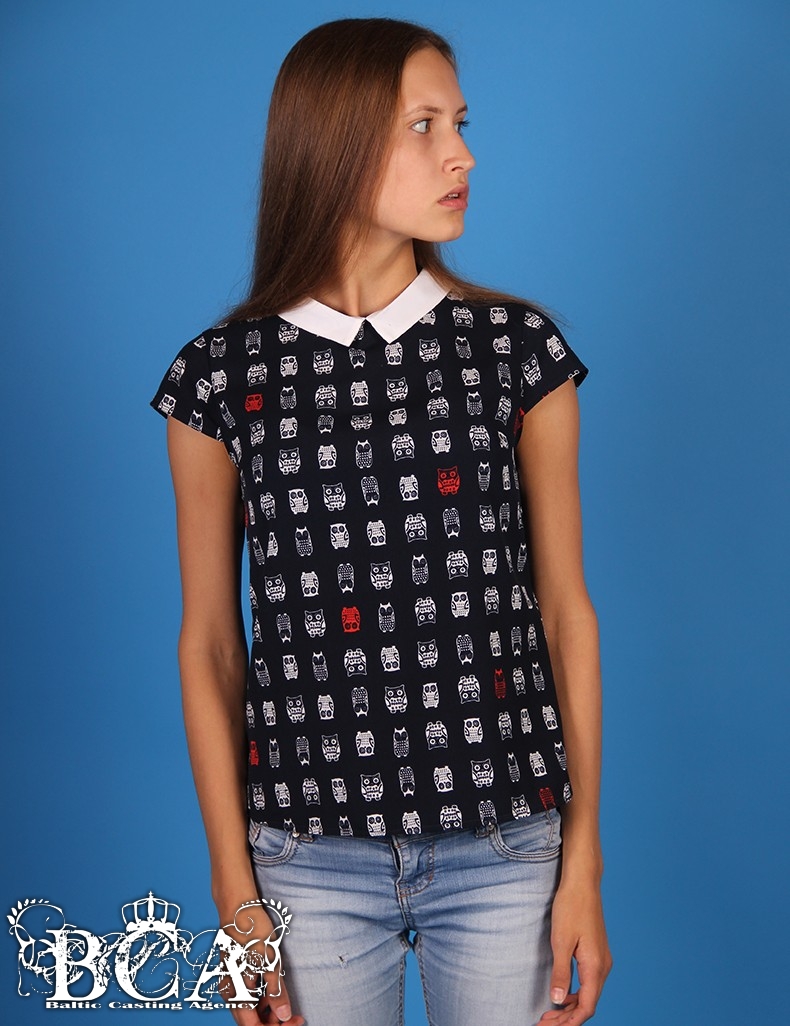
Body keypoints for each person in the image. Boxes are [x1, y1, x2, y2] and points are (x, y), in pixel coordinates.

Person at [151, 17, 612, 1026]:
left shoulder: (516, 354)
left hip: (504, 845)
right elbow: (212, 644)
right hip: (304, 856)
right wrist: (233, 888)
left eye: (460, 123)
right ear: (336, 142)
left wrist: (583, 861)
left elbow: (565, 615)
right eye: (423, 124)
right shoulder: (218, 380)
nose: (462, 155)